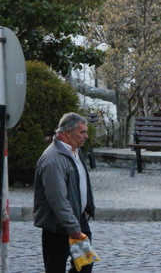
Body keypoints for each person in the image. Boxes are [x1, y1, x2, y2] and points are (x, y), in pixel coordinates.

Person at [34, 113, 95, 273]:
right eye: (82, 132)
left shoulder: (75, 151)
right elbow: (57, 199)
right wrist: (73, 227)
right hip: (58, 227)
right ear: (68, 132)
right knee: (56, 268)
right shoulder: (52, 159)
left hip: (77, 220)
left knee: (85, 265)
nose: (86, 136)